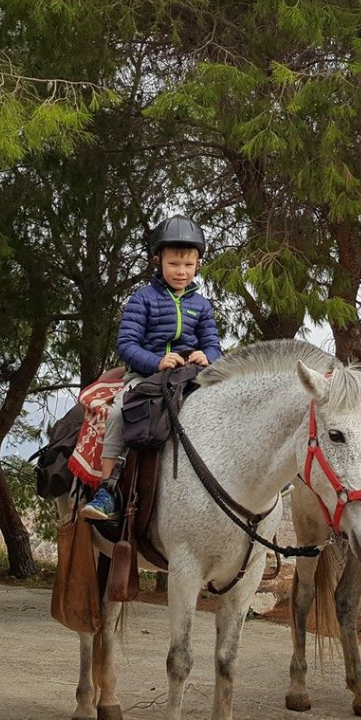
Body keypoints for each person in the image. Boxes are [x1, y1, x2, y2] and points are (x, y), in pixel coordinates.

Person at [81, 215, 222, 521]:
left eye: (188, 265)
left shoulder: (202, 305)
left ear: (198, 264)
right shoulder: (142, 299)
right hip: (146, 377)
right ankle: (107, 490)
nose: (181, 271)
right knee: (118, 414)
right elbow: (126, 344)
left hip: (189, 377)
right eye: (174, 264)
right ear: (158, 261)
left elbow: (213, 344)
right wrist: (156, 361)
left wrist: (207, 356)